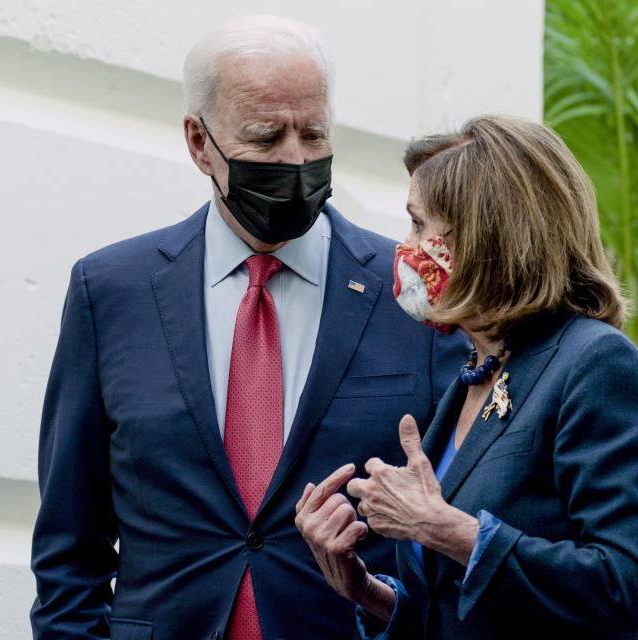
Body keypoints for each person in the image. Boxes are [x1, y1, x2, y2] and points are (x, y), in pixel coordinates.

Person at [29, 15, 467, 640]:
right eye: (266, 137)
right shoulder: (111, 292)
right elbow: (70, 550)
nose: (295, 158)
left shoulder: (416, 295)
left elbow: (460, 525)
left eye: (314, 133)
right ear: (199, 142)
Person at [295, 115, 638, 639]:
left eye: (420, 224)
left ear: (485, 237)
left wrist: (440, 527)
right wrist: (364, 590)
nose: (405, 247)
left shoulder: (596, 363)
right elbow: (465, 607)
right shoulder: (477, 372)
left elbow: (624, 584)